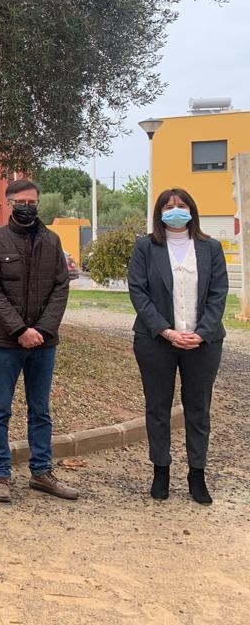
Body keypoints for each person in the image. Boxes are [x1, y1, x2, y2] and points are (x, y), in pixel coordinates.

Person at [127, 188, 227, 505]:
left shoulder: (210, 248)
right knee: (158, 408)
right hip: (156, 341)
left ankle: (197, 474)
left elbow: (218, 293)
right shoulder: (146, 246)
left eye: (181, 205)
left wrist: (203, 331)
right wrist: (166, 331)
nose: (175, 210)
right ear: (159, 213)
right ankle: (161, 470)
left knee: (198, 410)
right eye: (168, 206)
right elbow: (138, 293)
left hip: (203, 343)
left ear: (192, 210)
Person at [0, 179, 76, 503]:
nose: (27, 206)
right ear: (8, 204)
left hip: (43, 344)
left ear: (38, 203)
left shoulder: (52, 241)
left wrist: (43, 330)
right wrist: (21, 330)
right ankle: (0, 475)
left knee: (40, 411)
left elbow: (61, 287)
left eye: (31, 201)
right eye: (20, 201)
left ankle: (41, 472)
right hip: (5, 343)